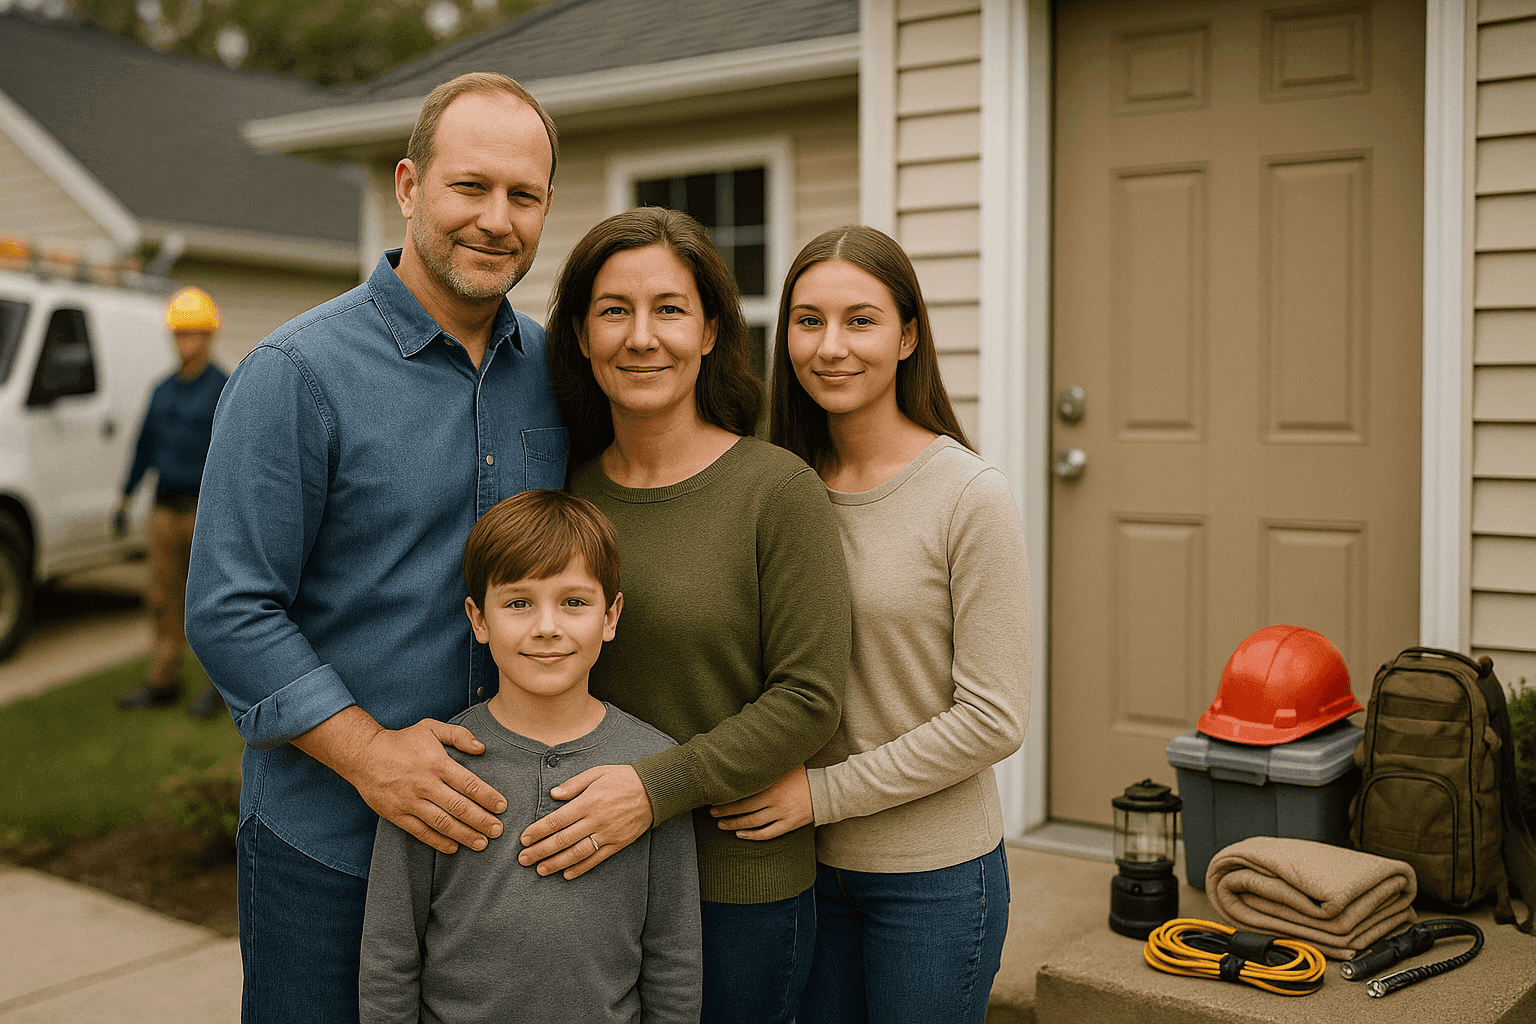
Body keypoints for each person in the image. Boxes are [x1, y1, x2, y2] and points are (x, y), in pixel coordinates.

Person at [185, 72, 564, 1024]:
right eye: (469, 187)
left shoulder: (562, 377)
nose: (496, 219)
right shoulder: (294, 376)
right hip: (330, 845)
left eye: (523, 196)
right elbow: (230, 607)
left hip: (505, 855)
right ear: (408, 188)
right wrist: (369, 755)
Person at [533, 206, 850, 1024]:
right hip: (583, 876)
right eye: (614, 310)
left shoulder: (776, 490)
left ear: (710, 331)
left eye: (669, 309)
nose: (642, 337)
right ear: (578, 334)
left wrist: (652, 789)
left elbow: (810, 698)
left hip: (733, 890)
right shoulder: (561, 495)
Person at [712, 225, 1031, 1024]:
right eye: (808, 321)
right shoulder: (775, 484)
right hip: (798, 868)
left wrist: (822, 795)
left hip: (934, 877)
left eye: (861, 320)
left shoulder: (968, 495)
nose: (831, 347)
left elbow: (994, 717)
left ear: (908, 335)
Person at [359, 489, 701, 1024]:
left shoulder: (651, 765)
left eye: (574, 602)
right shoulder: (435, 764)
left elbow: (674, 955)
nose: (547, 626)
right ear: (479, 619)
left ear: (610, 617)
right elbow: (390, 952)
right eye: (519, 602)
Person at [114, 285, 228, 719]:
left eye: (195, 334)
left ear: (209, 337)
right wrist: (125, 498)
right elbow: (143, 447)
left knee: (211, 603)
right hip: (163, 511)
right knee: (162, 599)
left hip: (204, 512)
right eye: (180, 335)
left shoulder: (224, 387)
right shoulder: (161, 390)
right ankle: (163, 681)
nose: (187, 343)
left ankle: (219, 689)